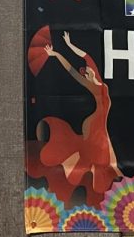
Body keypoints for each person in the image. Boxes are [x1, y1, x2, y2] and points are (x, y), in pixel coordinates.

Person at [34, 30, 121, 206]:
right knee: (99, 155)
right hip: (94, 124)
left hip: (99, 125)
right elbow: (71, 69)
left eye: (88, 69)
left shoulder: (100, 82)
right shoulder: (91, 84)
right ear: (86, 75)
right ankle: (95, 189)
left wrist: (68, 44)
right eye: (86, 71)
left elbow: (86, 56)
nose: (88, 70)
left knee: (103, 155)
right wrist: (56, 54)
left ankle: (101, 189)